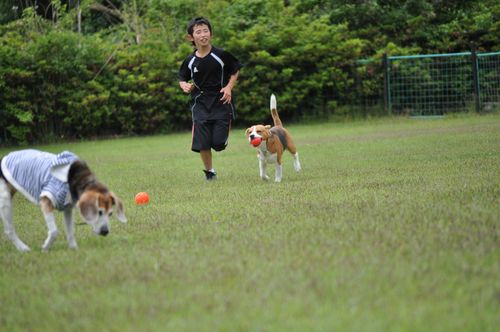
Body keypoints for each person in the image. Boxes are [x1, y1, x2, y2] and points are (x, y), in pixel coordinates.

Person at [178, 16, 242, 181]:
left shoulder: (221, 55)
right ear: (191, 37)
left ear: (211, 34)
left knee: (218, 144)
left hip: (221, 101)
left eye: (205, 30)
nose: (203, 34)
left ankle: (221, 142)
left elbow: (235, 69)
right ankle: (210, 172)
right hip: (199, 103)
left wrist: (228, 87)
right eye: (198, 32)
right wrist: (184, 85)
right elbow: (182, 77)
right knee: (203, 143)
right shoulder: (190, 60)